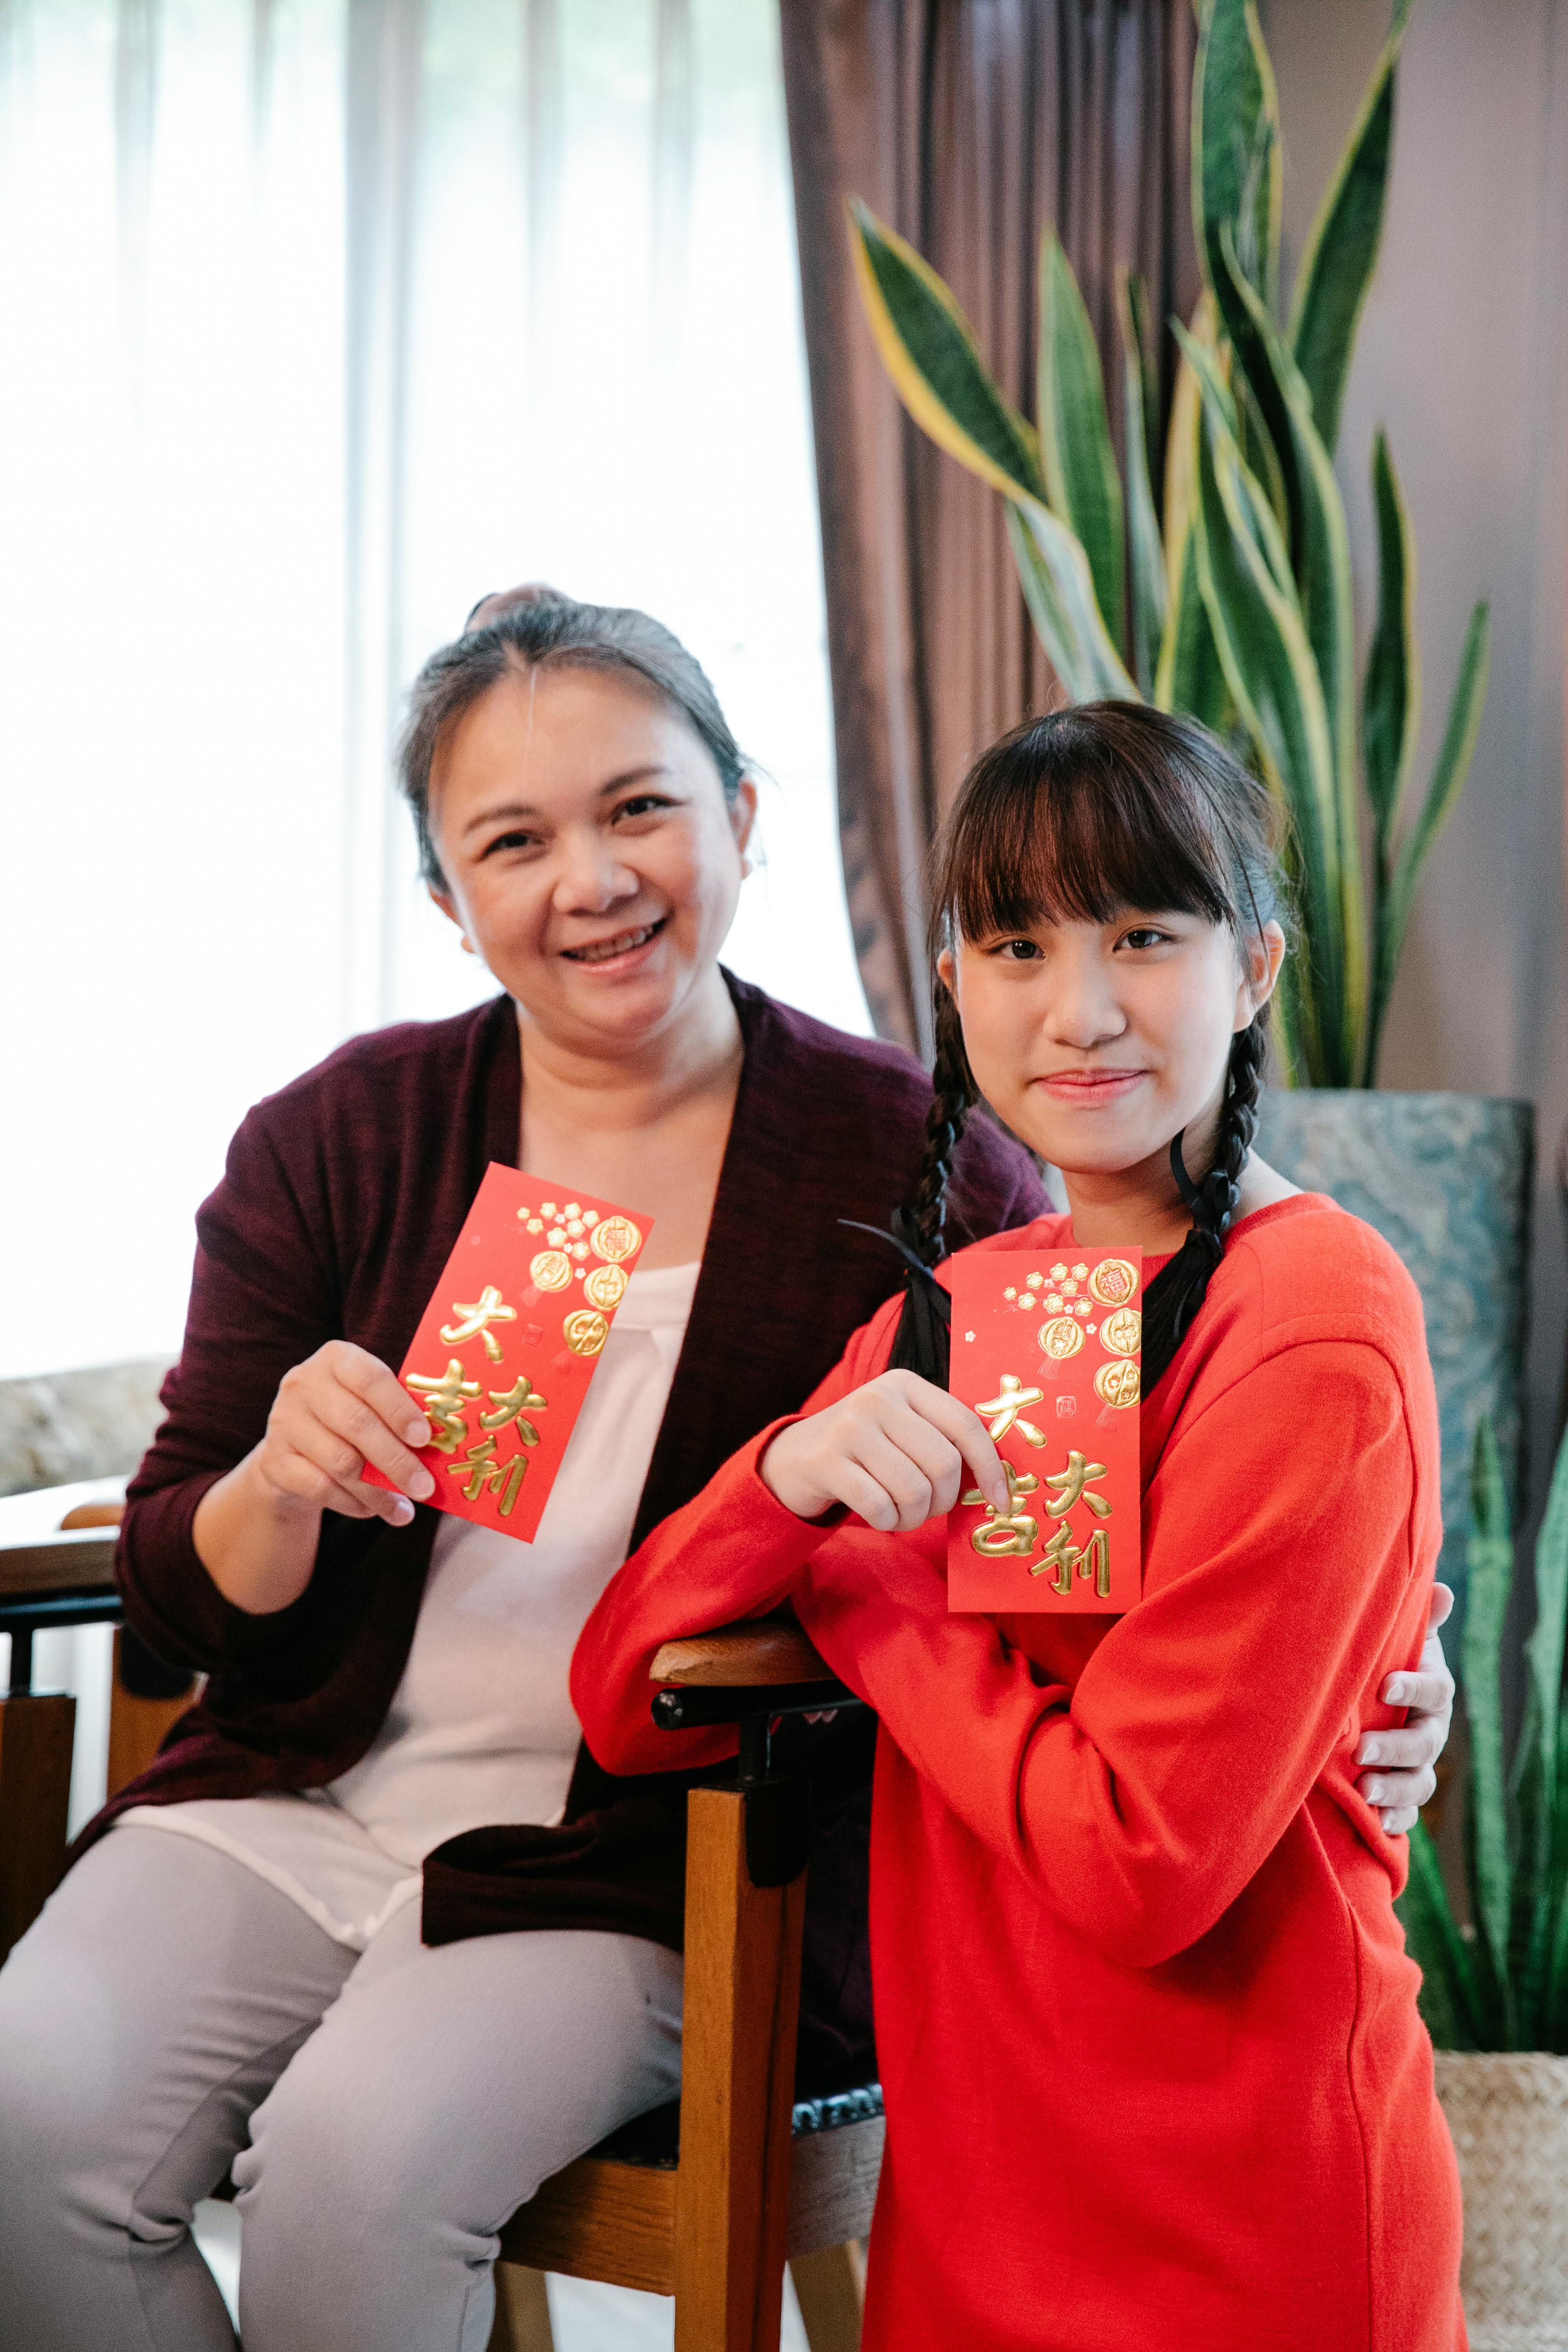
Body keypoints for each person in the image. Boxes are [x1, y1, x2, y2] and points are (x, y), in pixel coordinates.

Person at [572, 702, 1466, 2351]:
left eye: (1143, 934)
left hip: (1245, 2224)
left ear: (1253, 967)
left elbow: (1136, 1860)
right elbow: (629, 1695)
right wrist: (791, 1478)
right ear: (954, 984)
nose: (1080, 1009)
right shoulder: (977, 1302)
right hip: (973, 2213)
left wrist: (877, 1606)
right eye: (1015, 942)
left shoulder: (1317, 1315)